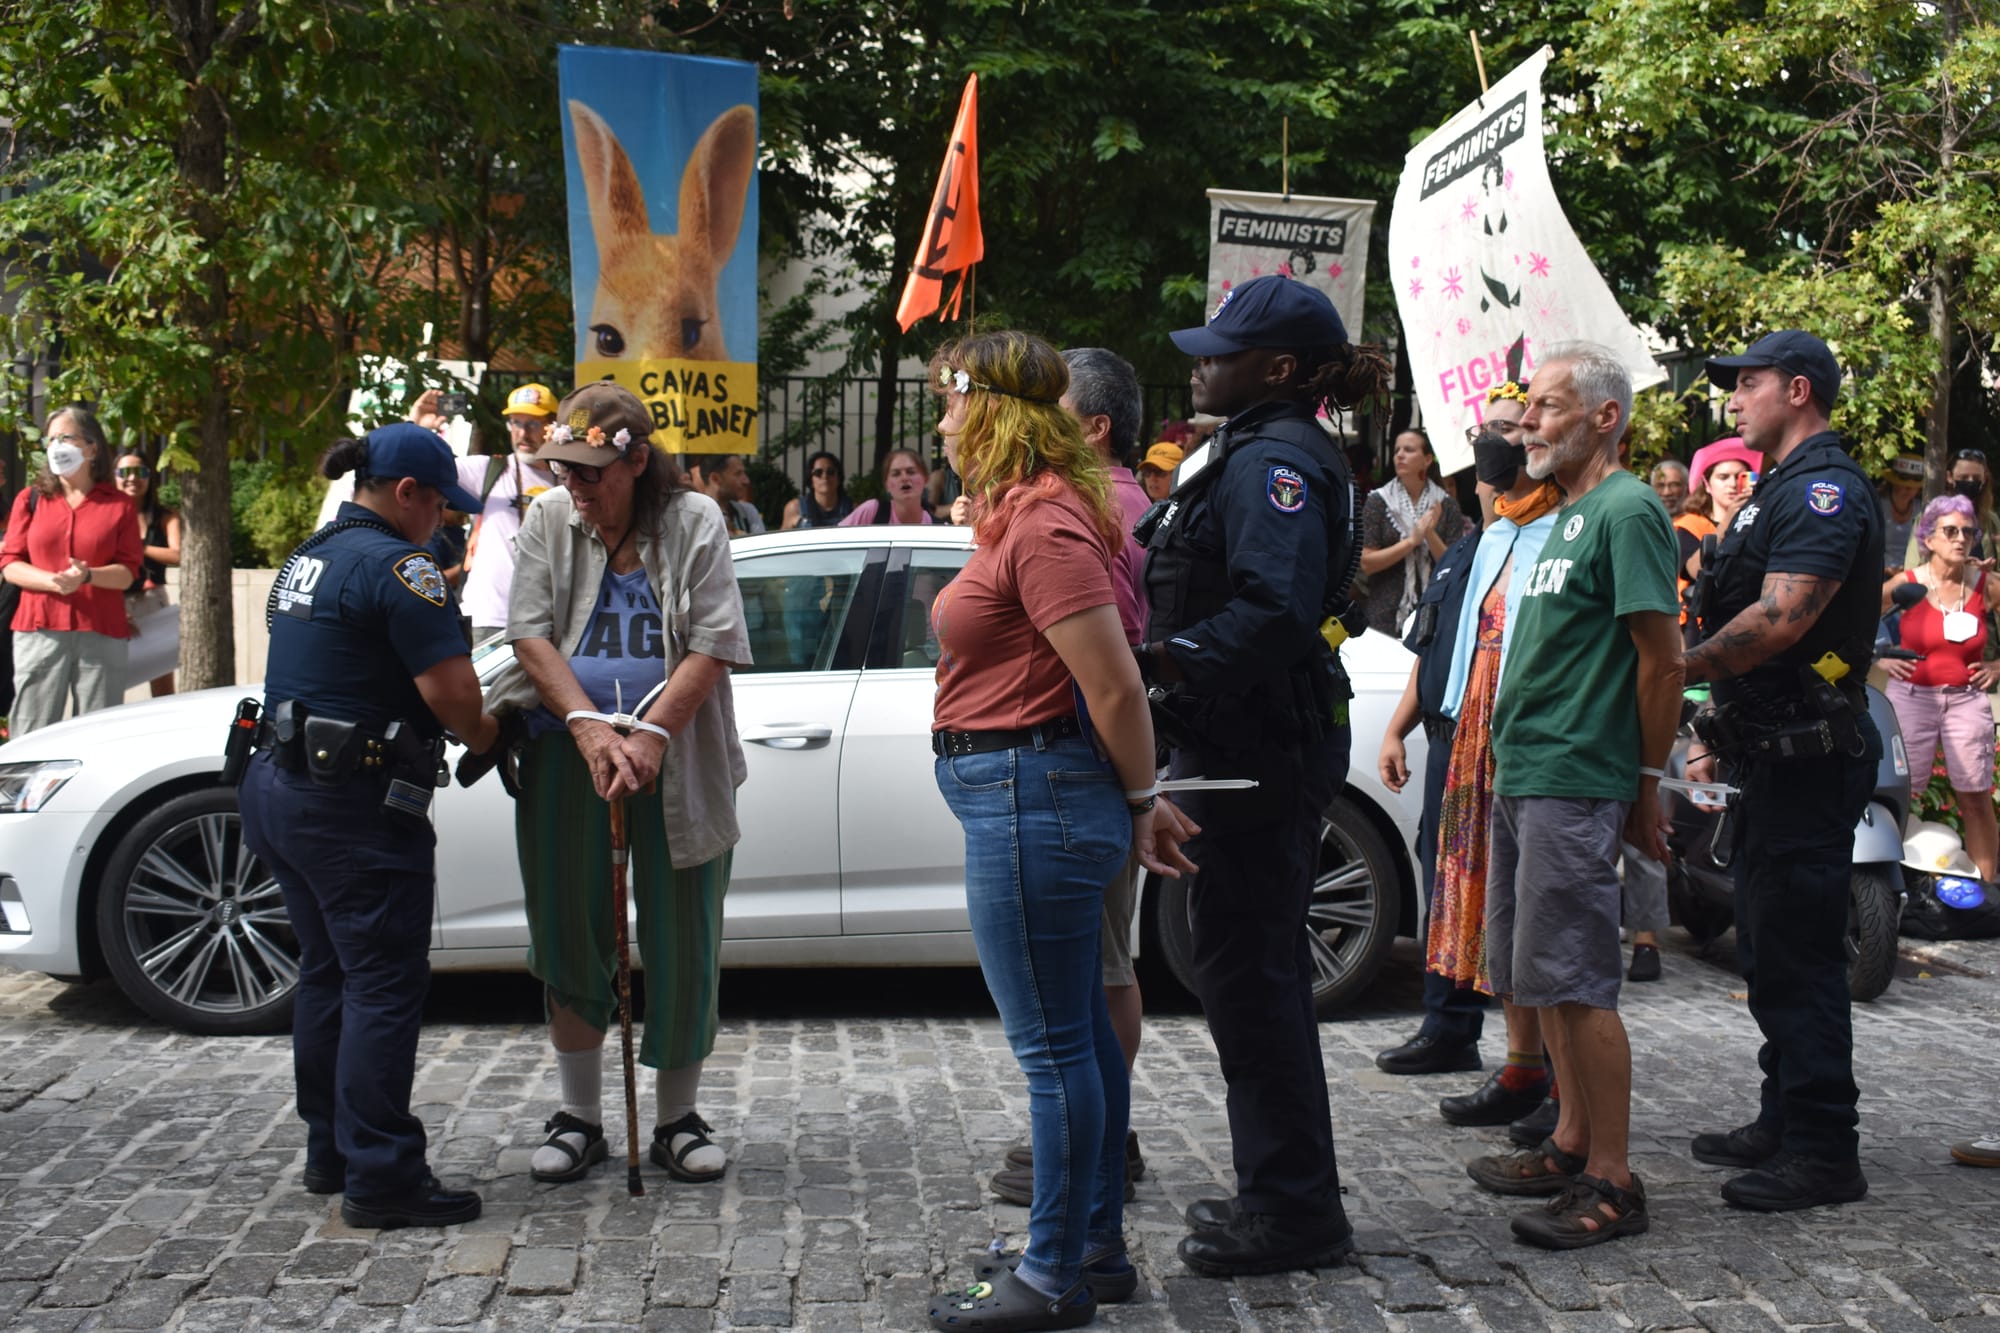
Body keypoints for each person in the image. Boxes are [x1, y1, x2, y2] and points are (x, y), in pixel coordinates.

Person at [925, 332, 1195, 1332]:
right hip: (1026, 792)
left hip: (1033, 795)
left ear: (994, 413)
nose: (943, 420)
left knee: (1053, 1052)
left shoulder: (1043, 526)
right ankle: (1088, 1247)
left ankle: (1051, 1273)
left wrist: (1136, 803)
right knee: (1076, 1035)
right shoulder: (1025, 518)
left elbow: (1114, 684)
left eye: (954, 402)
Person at [1141, 274, 1388, 1276]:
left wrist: (1160, 669)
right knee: (1246, 977)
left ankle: (1292, 1210)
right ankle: (1278, 1189)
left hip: (1254, 748)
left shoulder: (1276, 458)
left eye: (1219, 349)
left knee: (1252, 981)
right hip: (1242, 740)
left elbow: (1274, 611)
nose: (1199, 363)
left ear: (1277, 369)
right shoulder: (1251, 449)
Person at [484, 383, 752, 1192]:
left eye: (592, 472)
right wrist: (590, 727)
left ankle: (676, 1118)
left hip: (679, 750)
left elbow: (712, 642)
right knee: (568, 927)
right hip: (570, 751)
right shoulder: (547, 518)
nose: (577, 486)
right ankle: (579, 1117)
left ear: (638, 460)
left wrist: (649, 735)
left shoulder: (696, 519)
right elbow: (528, 631)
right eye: (564, 470)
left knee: (682, 931)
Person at [238, 422, 498, 1229]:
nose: (446, 525)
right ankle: (382, 1173)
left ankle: (333, 1149)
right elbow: (454, 693)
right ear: (406, 493)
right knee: (382, 983)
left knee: (328, 972)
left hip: (278, 786)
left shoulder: (307, 555)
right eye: (441, 507)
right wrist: (493, 739)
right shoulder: (402, 567)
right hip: (352, 808)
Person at [1463, 343, 1681, 1250]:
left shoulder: (1628, 509)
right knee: (1537, 970)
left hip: (1577, 776)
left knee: (1583, 981)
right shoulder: (1566, 514)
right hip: (1527, 770)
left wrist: (1641, 784)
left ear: (1603, 417)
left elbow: (1660, 657)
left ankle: (1614, 1179)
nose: (1529, 424)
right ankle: (1570, 1139)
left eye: (1548, 407)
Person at [1683, 329, 1884, 1213]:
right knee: (1766, 943)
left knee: (1799, 952)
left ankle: (1823, 1147)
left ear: (1797, 389)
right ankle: (1783, 1112)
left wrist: (1669, 668)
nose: (1733, 396)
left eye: (1748, 381)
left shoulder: (1827, 491)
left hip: (1810, 759)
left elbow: (1781, 619)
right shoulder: (1777, 491)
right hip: (1767, 754)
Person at [987, 347, 1157, 1210]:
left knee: (1092, 988)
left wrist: (1132, 795)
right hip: (1083, 771)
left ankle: (1094, 1170)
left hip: (1071, 774)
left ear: (1091, 427)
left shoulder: (1086, 509)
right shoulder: (1084, 503)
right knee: (1092, 982)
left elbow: (1111, 673)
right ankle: (1096, 1160)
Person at [1383, 385, 1567, 1149]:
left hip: (1518, 742)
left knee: (1529, 910)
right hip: (1455, 737)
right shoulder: (1476, 543)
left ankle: (1553, 1077)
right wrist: (1398, 727)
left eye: (1511, 430)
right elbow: (1436, 648)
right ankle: (1475, 1038)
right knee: (1461, 889)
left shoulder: (1561, 535)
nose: (1495, 445)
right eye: (1485, 433)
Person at [0, 404, 141, 736]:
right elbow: (9, 564)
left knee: (98, 732)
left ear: (92, 448)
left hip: (101, 630)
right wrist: (53, 581)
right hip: (39, 629)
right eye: (50, 440)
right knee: (32, 730)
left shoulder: (118, 505)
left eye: (66, 437)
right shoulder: (29, 499)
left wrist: (87, 576)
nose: (56, 446)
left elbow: (128, 572)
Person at [1879, 494, 1998, 879]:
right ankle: (1886, 891)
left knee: (1976, 797)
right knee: (1897, 793)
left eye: (1968, 532)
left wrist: (1998, 664)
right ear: (1928, 538)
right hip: (1911, 696)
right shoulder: (1906, 583)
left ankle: (1988, 894)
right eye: (1950, 531)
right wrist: (1877, 657)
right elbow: (1854, 616)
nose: (1961, 539)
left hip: (1966, 699)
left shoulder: (1985, 584)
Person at [410, 382, 560, 645]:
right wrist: (419, 428)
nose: (522, 433)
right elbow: (418, 469)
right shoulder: (489, 470)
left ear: (553, 426)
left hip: (548, 625)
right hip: (488, 620)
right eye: (515, 422)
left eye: (533, 424)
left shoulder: (572, 481)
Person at [1360, 428, 1466, 636]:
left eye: (1408, 450)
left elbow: (1455, 568)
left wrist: (1429, 534)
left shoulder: (1446, 504)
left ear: (1427, 460)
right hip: (1384, 615)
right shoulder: (1378, 501)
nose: (1399, 455)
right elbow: (1367, 564)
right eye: (1397, 449)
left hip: (1434, 614)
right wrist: (1411, 541)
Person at [115, 451, 182, 696]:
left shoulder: (165, 516)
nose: (132, 479)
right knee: (112, 677)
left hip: (154, 602)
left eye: (140, 472)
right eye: (124, 472)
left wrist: (140, 546)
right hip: (115, 602)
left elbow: (178, 554)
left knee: (161, 678)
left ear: (150, 477)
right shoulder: (106, 515)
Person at [839, 448, 934, 526]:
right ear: (886, 484)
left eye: (911, 472)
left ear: (925, 479)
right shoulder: (871, 510)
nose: (904, 478)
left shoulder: (938, 527)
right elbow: (835, 539)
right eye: (896, 474)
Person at [687, 452, 754, 536]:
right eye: (738, 474)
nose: (746, 481)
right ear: (715, 478)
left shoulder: (747, 512)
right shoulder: (695, 517)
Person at [1879, 452, 1925, 573]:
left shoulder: (1922, 509)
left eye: (1915, 483)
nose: (1909, 488)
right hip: (1877, 572)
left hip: (1913, 573)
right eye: (1904, 482)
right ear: (1893, 482)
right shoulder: (1877, 506)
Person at [782, 450, 853, 529]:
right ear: (811, 480)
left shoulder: (853, 509)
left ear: (839, 478)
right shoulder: (795, 508)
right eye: (818, 473)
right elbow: (782, 539)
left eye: (830, 472)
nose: (825, 476)